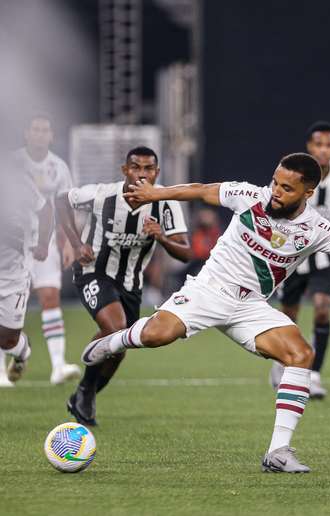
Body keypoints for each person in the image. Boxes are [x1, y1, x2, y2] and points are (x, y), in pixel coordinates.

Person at [81, 152, 330, 473]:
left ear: (308, 192)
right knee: (156, 336)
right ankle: (114, 342)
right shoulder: (250, 196)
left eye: (286, 188)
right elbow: (200, 190)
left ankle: (278, 452)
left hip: (250, 306)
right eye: (275, 182)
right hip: (208, 290)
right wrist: (156, 193)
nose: (275, 192)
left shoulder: (317, 228)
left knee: (300, 355)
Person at [58, 146, 192, 426]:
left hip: (131, 283)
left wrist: (162, 238)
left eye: (148, 169)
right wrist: (75, 243)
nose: (141, 174)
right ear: (125, 170)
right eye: (135, 167)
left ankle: (85, 393)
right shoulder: (102, 195)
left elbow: (185, 252)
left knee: (120, 347)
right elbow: (61, 200)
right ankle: (85, 391)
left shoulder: (165, 203)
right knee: (116, 327)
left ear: (156, 173)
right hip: (92, 271)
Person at [271, 122, 330, 399]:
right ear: (309, 146)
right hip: (292, 253)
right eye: (318, 144)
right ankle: (282, 363)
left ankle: (315, 374)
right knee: (289, 315)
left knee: (322, 308)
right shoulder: (293, 172)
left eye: (329, 145)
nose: (323, 150)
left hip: (324, 254)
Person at [12, 114, 81, 384]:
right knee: (7, 306)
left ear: (51, 135)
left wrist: (68, 245)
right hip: (12, 244)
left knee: (50, 298)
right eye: (35, 129)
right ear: (26, 134)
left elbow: (64, 209)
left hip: (47, 243)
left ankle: (58, 366)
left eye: (45, 129)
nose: (40, 134)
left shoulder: (59, 168)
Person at [0, 154, 53, 386]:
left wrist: (43, 243)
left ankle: (23, 351)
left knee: (7, 339)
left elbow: (46, 210)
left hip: (14, 271)